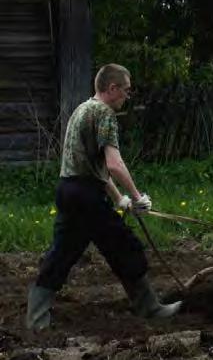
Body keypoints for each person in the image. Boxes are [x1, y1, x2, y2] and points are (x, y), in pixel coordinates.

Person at [26, 64, 181, 331]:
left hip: (69, 190)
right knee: (124, 246)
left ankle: (36, 321)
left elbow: (93, 167)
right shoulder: (105, 114)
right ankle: (150, 308)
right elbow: (114, 164)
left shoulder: (82, 110)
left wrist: (120, 199)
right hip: (86, 196)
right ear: (112, 88)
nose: (127, 97)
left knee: (62, 254)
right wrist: (137, 197)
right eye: (126, 91)